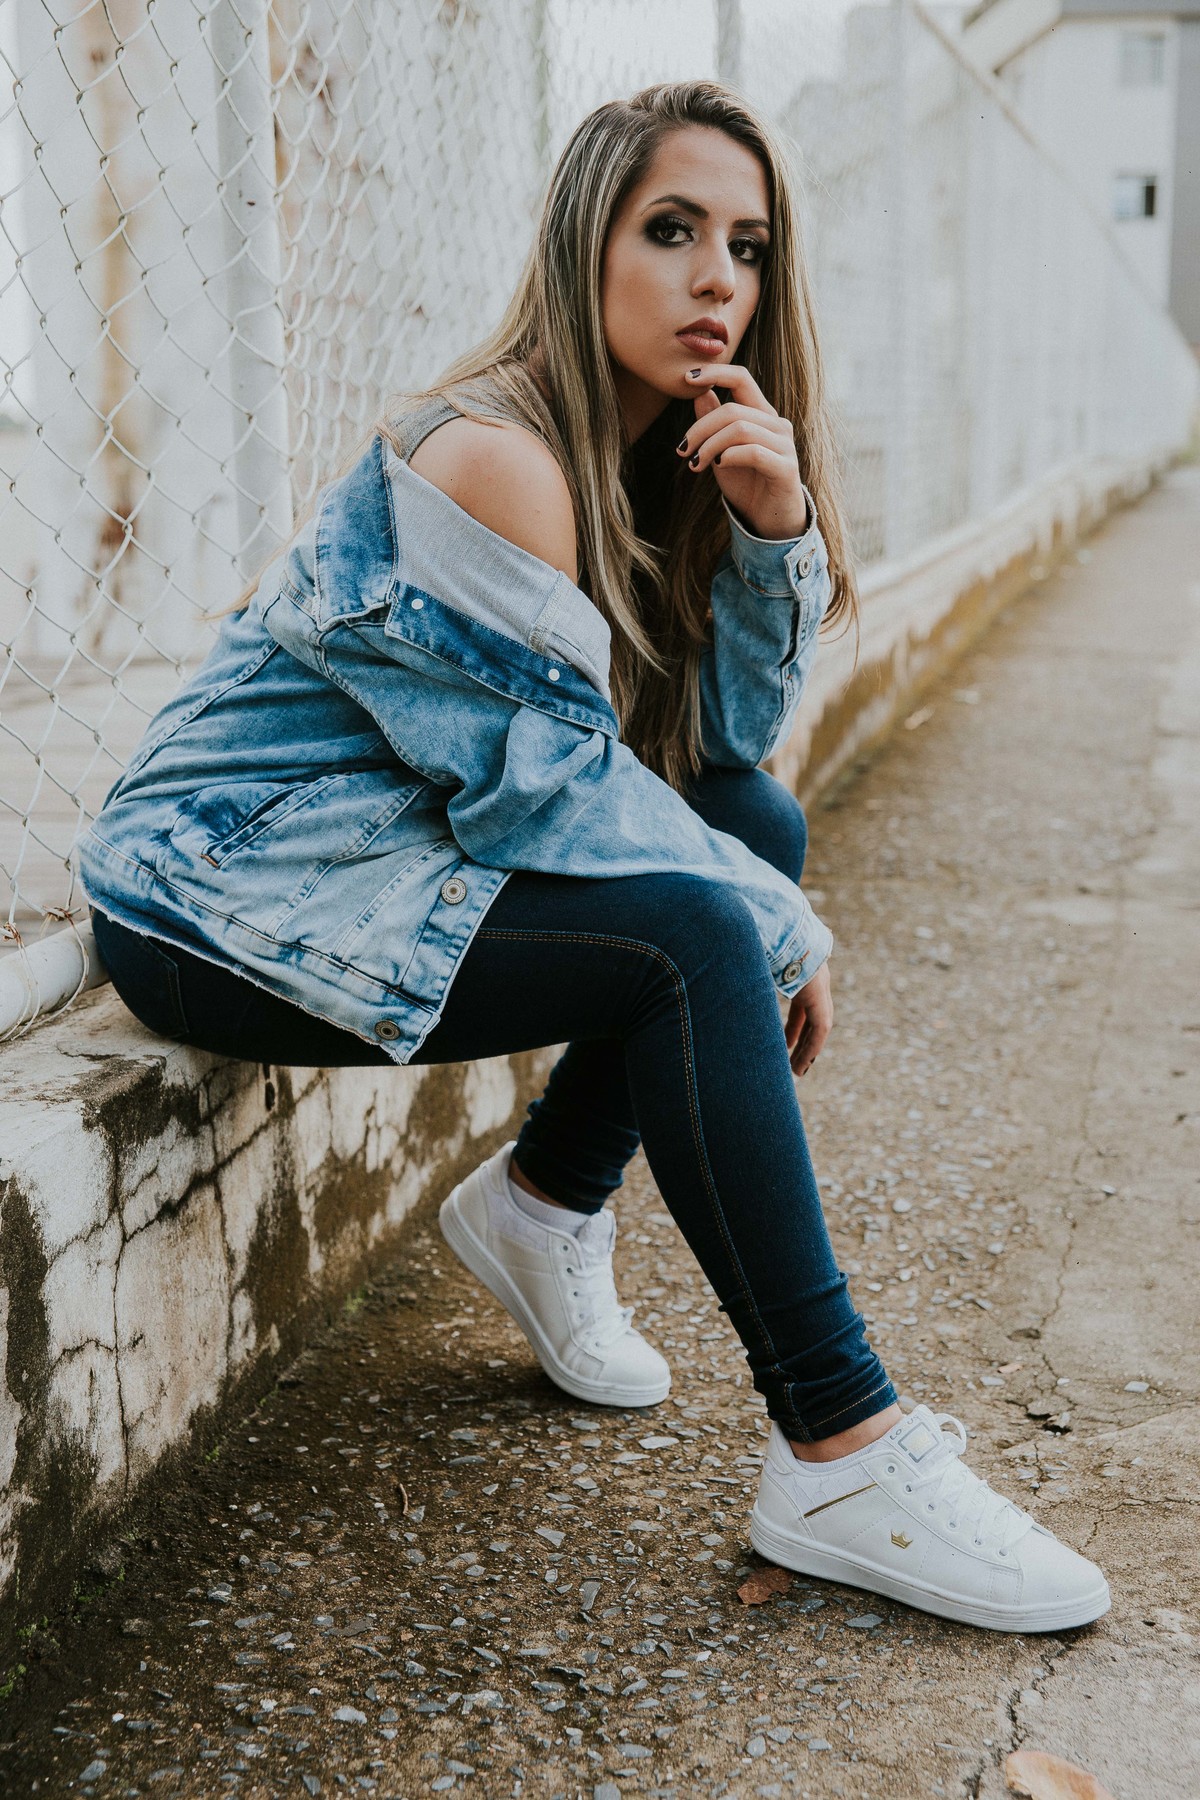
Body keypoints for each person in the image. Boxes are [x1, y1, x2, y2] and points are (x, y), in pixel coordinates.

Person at [78, 80, 1108, 1633]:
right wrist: (779, 930)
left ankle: (543, 1207)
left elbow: (724, 754)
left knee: (748, 832)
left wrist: (769, 532)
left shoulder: (663, 453)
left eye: (747, 247)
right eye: (671, 231)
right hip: (219, 883)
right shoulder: (495, 454)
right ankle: (841, 1445)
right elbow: (546, 801)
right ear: (586, 245)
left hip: (377, 843)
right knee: (702, 931)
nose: (716, 281)